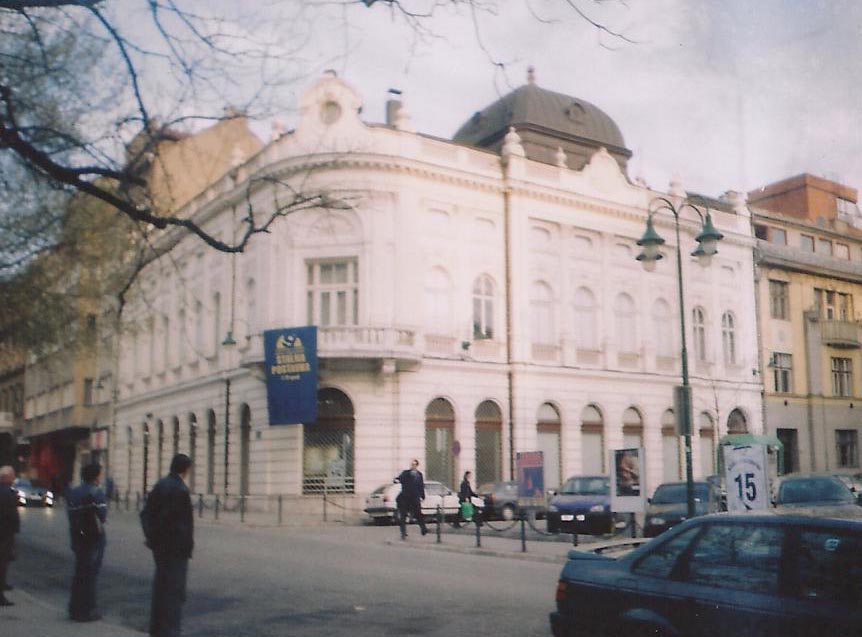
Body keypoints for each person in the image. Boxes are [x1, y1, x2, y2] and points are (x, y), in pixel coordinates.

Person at [141, 454, 194, 637]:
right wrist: (187, 548)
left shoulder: (160, 485)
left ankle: (156, 629)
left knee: (161, 588)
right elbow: (184, 524)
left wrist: (152, 538)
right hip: (176, 549)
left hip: (160, 547)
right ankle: (170, 631)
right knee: (174, 591)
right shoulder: (180, 489)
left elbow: (146, 514)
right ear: (185, 469)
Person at [66, 462, 107, 622]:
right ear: (96, 476)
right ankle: (88, 610)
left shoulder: (74, 493)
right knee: (90, 575)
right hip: (94, 538)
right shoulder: (97, 493)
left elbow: (71, 516)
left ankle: (74, 608)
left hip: (78, 537)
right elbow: (102, 516)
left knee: (79, 573)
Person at [0, 466, 19, 607]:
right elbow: (11, 514)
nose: (14, 479)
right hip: (5, 533)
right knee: (2, 563)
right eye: (12, 476)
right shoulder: (7, 492)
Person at [395, 458, 427, 539]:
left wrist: (422, 496)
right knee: (403, 515)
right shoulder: (406, 473)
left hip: (415, 497)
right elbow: (399, 479)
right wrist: (396, 479)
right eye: (412, 464)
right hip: (405, 498)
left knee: (418, 514)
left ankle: (423, 529)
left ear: (417, 465)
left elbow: (421, 486)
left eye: (414, 464)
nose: (413, 466)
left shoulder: (419, 474)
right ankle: (403, 533)